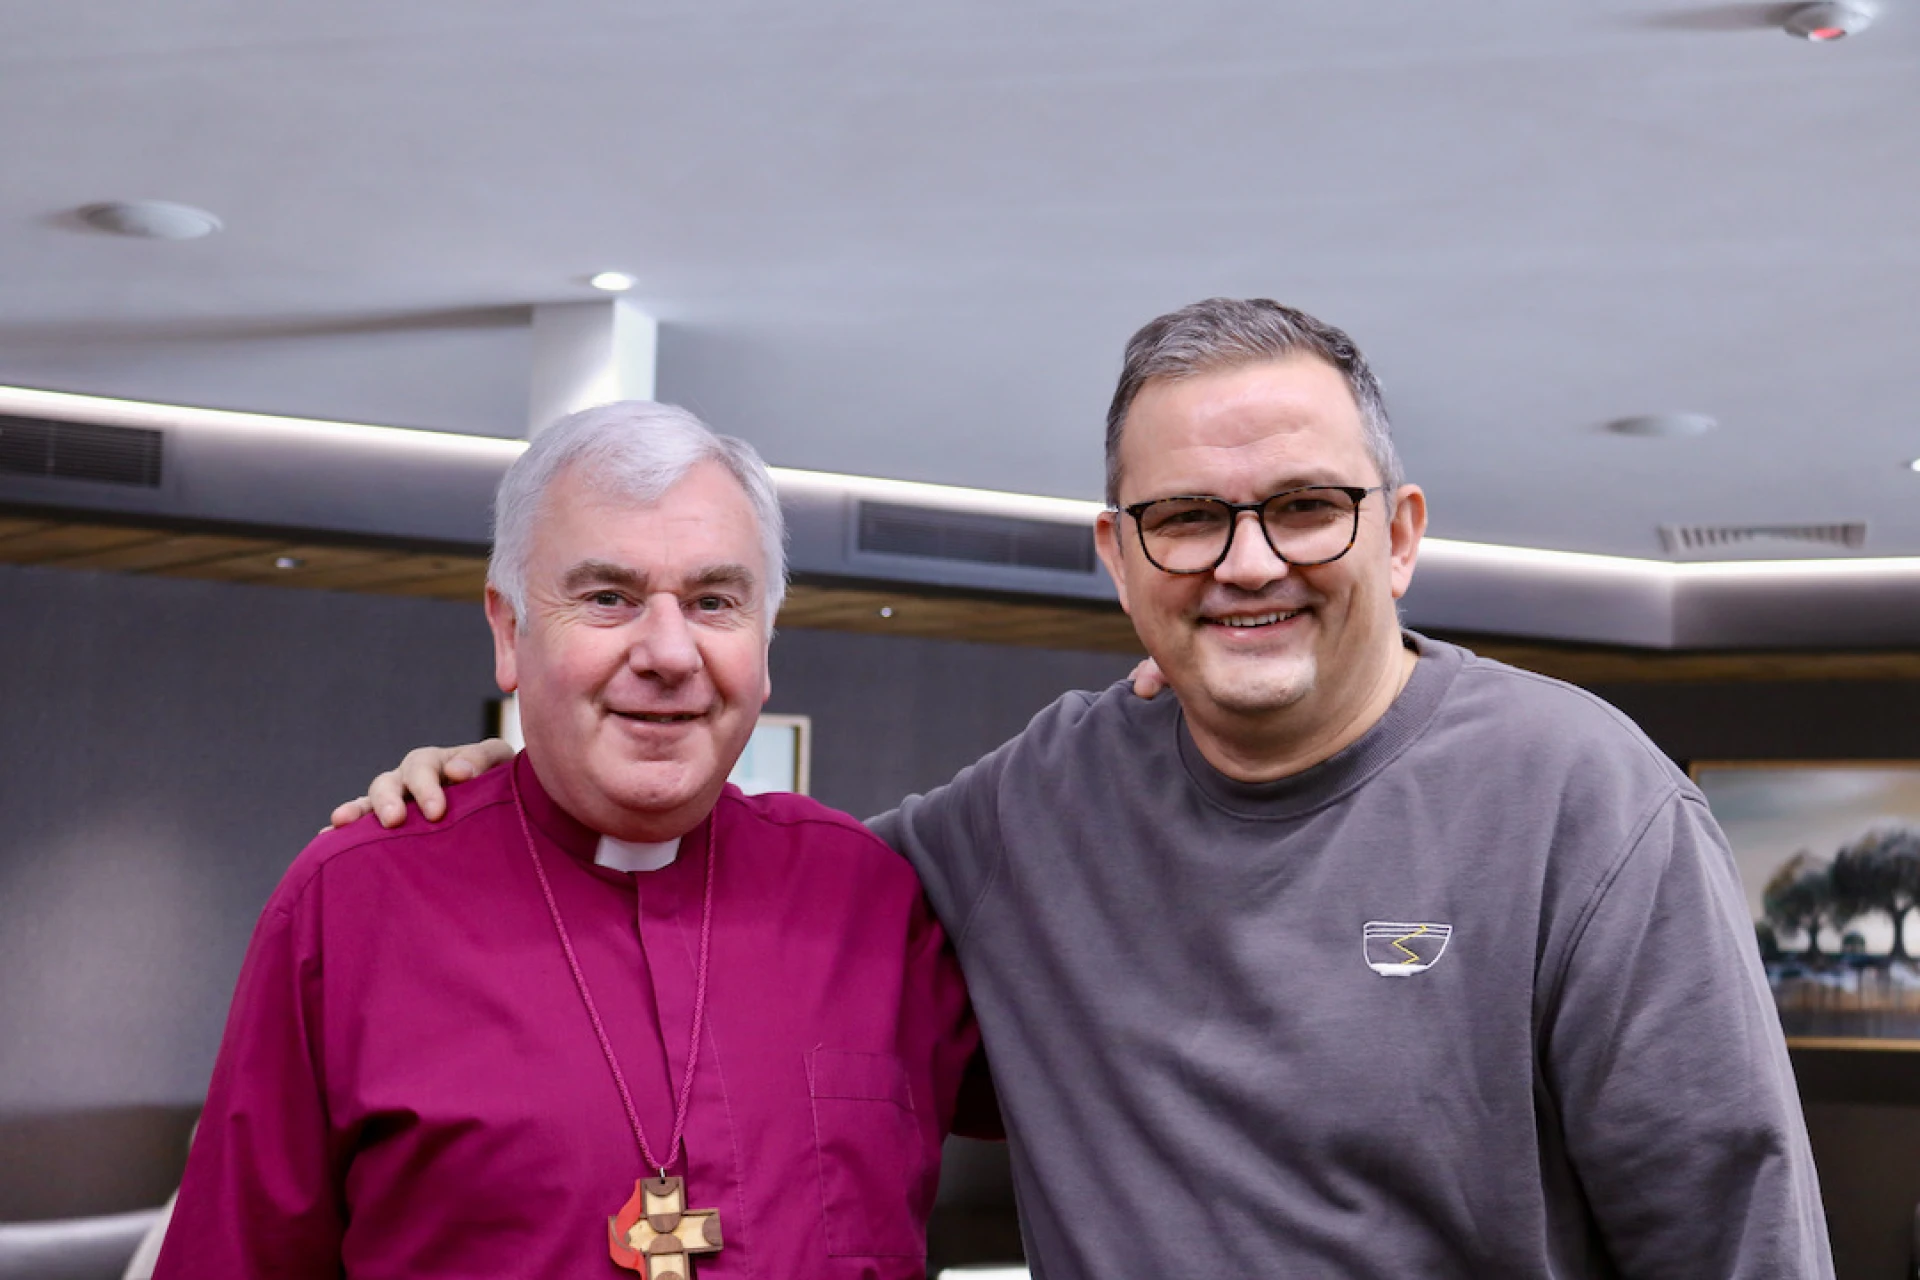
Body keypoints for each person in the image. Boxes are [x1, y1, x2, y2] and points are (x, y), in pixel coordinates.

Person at [346, 299, 1832, 1276]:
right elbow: (762, 903)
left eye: (1305, 507)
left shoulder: (1583, 803)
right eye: (1188, 519)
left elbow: (1737, 1235)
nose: (1248, 562)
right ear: (1120, 560)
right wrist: (529, 786)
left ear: (1398, 534)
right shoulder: (1040, 804)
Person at [159, 403, 977, 1278]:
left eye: (714, 602)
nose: (670, 653)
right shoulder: (355, 901)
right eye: (608, 599)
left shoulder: (870, 899)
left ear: (765, 641)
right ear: (509, 632)